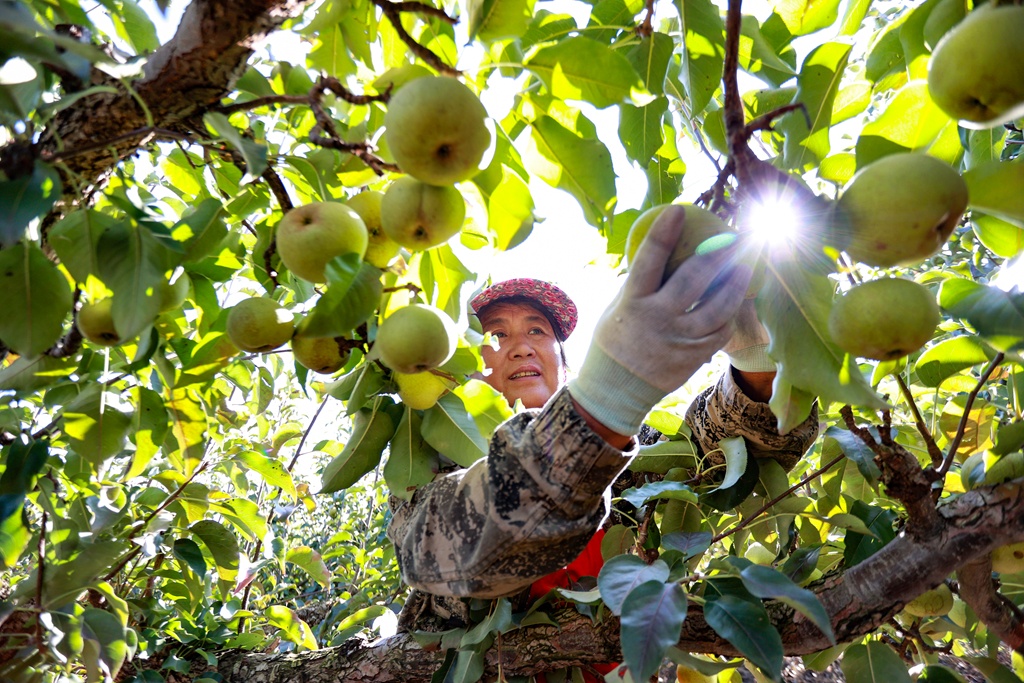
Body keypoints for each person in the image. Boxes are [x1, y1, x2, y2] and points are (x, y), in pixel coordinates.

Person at [387, 206, 819, 636]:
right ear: (465, 363)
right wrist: (602, 405)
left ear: (564, 360)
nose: (520, 347)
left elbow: (716, 460)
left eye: (537, 331)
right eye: (496, 335)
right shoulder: (430, 461)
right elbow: (446, 547)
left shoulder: (627, 447)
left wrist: (761, 365)